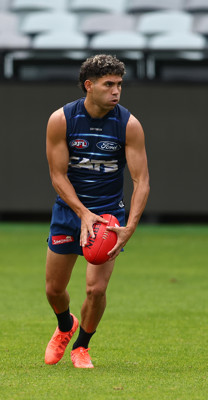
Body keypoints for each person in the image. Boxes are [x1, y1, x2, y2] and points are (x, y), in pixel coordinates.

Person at [43, 54, 150, 368]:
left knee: (96, 288)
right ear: (89, 86)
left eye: (119, 84)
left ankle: (81, 347)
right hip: (69, 212)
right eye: (109, 84)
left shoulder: (129, 125)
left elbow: (141, 180)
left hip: (108, 217)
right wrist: (81, 212)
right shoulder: (61, 120)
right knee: (54, 289)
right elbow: (57, 175)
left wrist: (129, 226)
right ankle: (66, 325)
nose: (116, 91)